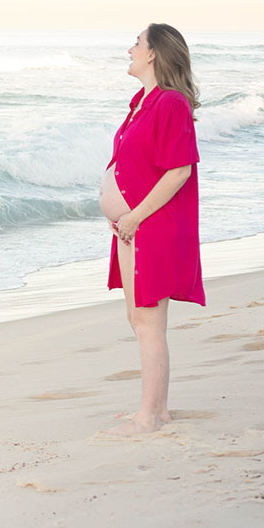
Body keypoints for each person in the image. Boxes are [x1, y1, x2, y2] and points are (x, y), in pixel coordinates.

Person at [98, 23, 203, 435]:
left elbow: (179, 169)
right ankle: (153, 406)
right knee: (136, 317)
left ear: (155, 52)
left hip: (152, 225)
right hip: (131, 226)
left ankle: (154, 414)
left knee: (148, 321)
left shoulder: (171, 103)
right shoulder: (140, 102)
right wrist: (124, 215)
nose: (129, 49)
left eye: (136, 43)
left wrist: (136, 215)